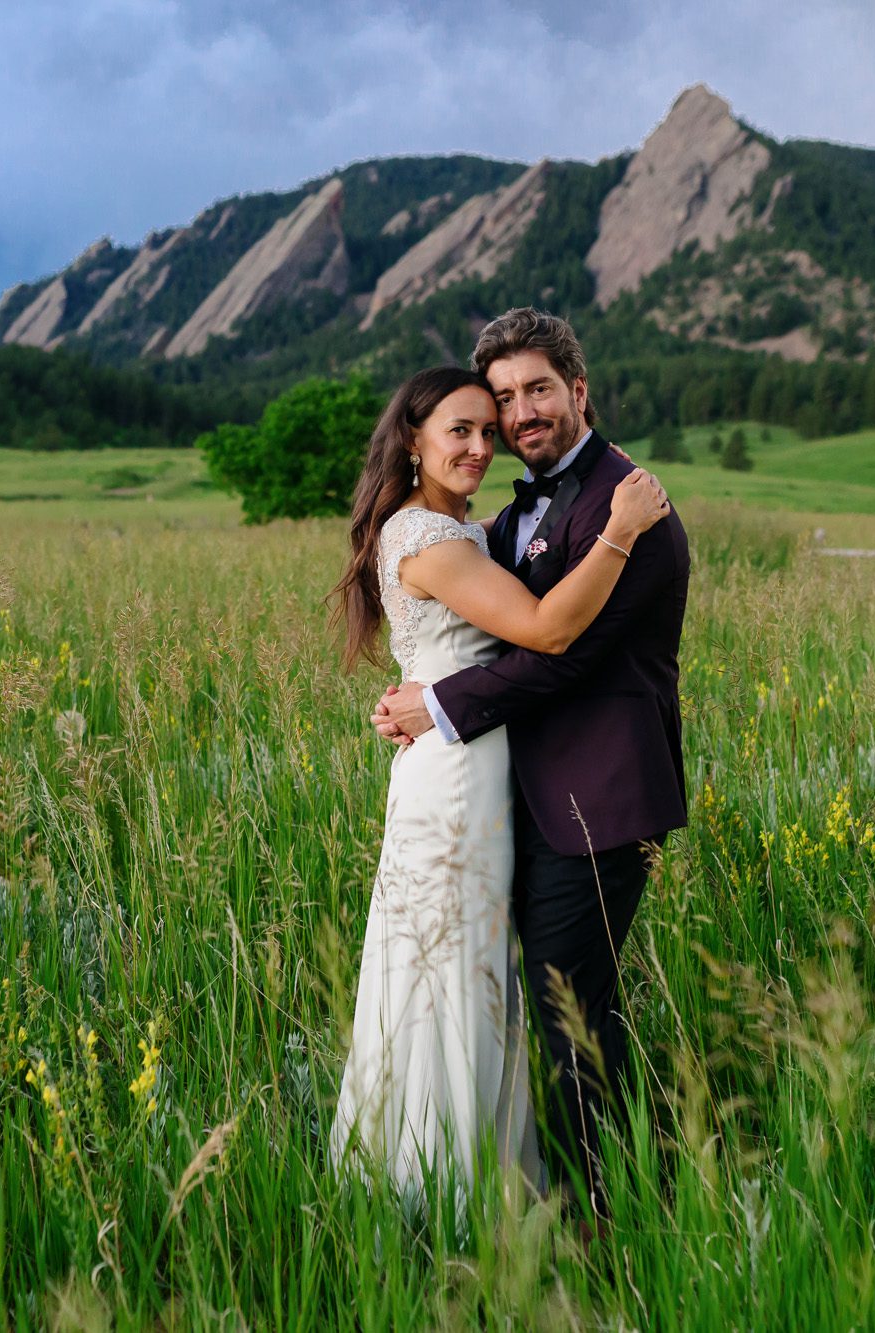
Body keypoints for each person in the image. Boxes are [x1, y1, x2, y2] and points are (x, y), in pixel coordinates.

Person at [326, 363, 671, 1206]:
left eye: (493, 428)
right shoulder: (428, 539)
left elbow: (523, 536)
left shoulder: (460, 529)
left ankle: (481, 1167)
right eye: (463, 430)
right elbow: (548, 628)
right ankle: (440, 1182)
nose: (484, 444)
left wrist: (594, 482)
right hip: (451, 780)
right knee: (444, 975)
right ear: (413, 438)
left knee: (474, 973)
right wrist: (618, 529)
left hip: (480, 770)